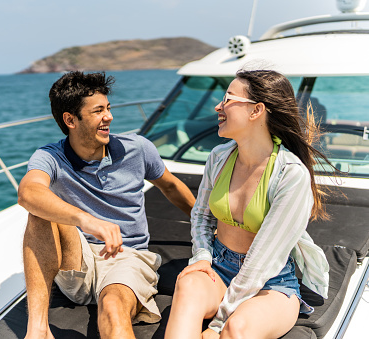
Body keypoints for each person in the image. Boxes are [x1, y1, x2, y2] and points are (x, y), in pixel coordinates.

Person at [18, 71, 196, 339]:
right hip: (78, 260)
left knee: (113, 308)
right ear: (70, 120)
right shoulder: (50, 157)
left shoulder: (138, 148)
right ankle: (38, 331)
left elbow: (170, 186)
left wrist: (206, 226)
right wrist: (87, 220)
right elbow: (28, 192)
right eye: (99, 111)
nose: (109, 117)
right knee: (39, 213)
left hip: (127, 257)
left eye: (108, 109)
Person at [164, 69, 331, 339]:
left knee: (236, 329)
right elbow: (201, 217)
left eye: (228, 99)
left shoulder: (290, 174)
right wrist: (203, 257)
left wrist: (217, 324)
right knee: (188, 285)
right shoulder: (219, 157)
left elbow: (262, 262)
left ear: (256, 111)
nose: (218, 106)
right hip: (219, 265)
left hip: (270, 282)